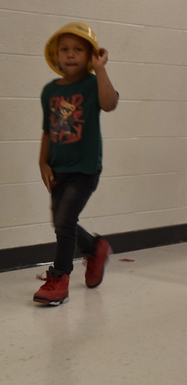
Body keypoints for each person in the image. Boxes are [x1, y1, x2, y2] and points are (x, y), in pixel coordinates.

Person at [33, 22, 118, 306]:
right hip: (58, 169)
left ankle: (59, 278)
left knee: (65, 221)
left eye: (78, 50)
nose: (70, 54)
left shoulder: (93, 85)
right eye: (65, 49)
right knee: (60, 221)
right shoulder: (49, 91)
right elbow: (48, 130)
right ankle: (96, 249)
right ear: (56, 55)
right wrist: (43, 161)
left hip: (85, 169)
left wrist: (101, 68)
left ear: (90, 55)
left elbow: (109, 104)